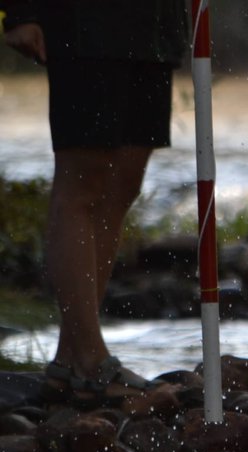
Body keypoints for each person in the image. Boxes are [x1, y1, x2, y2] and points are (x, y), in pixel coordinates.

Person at [1, 0, 189, 405]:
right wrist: (19, 12)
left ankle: (71, 360)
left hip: (155, 25)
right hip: (84, 22)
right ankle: (90, 358)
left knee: (124, 182)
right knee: (83, 180)